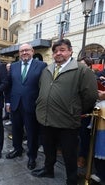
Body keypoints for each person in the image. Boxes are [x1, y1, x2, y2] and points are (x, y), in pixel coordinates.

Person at [31, 39, 98, 185]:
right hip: (45, 118)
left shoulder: (82, 70)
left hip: (67, 121)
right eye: (55, 51)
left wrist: (75, 110)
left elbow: (91, 96)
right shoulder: (47, 69)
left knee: (69, 153)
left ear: (70, 51)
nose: (58, 53)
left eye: (62, 50)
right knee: (49, 149)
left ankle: (72, 179)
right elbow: (42, 88)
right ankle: (48, 170)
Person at [5, 43, 47, 170]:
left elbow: (43, 86)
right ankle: (17, 149)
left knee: (32, 133)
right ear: (19, 53)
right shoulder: (13, 66)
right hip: (15, 104)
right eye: (22, 51)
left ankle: (32, 156)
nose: (24, 53)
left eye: (27, 50)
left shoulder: (42, 66)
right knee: (16, 130)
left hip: (32, 105)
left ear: (32, 51)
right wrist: (8, 102)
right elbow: (9, 86)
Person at [77, 56, 93, 168]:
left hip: (85, 111)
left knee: (84, 135)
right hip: (74, 111)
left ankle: (82, 157)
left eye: (83, 65)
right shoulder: (75, 76)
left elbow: (91, 96)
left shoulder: (93, 76)